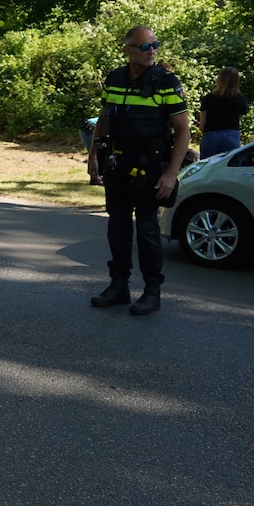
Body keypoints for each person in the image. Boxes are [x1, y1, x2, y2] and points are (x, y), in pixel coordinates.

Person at [87, 26, 191, 316]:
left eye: (155, 45)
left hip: (150, 166)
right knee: (117, 227)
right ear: (128, 49)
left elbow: (183, 131)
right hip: (117, 163)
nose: (152, 51)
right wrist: (93, 155)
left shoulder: (165, 82)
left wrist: (171, 174)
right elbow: (104, 119)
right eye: (145, 46)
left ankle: (151, 291)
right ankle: (119, 286)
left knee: (146, 230)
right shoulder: (114, 78)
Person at [199, 66, 249, 158]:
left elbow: (202, 124)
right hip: (232, 134)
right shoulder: (241, 99)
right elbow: (239, 119)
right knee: (227, 165)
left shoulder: (209, 98)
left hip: (211, 134)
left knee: (207, 166)